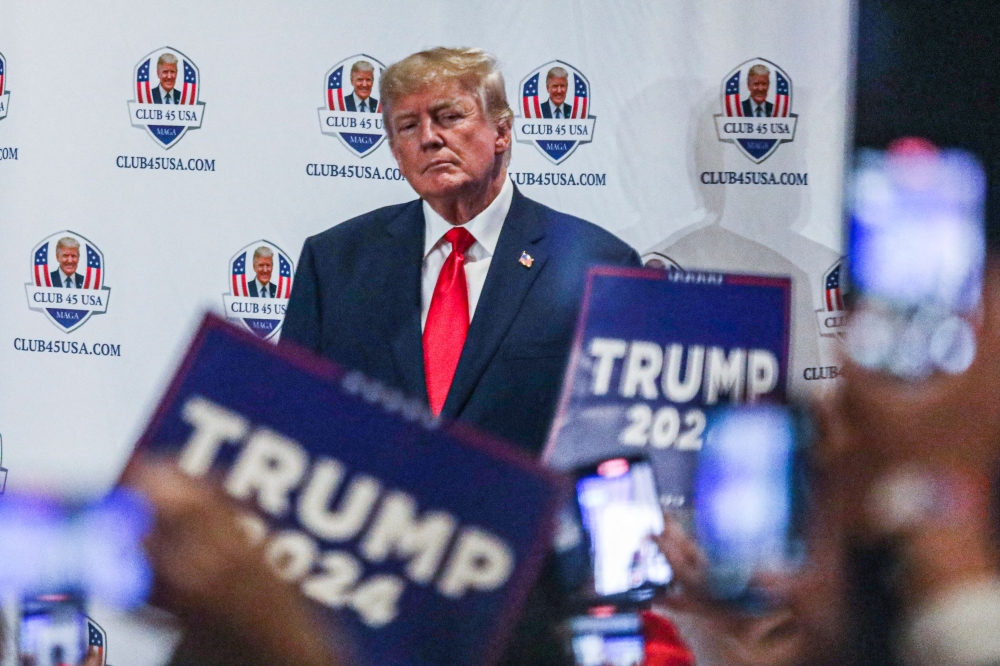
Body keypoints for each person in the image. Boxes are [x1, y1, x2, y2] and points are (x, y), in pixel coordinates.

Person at [282, 47, 641, 666]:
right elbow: (292, 429)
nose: (429, 139)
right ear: (392, 147)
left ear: (502, 129)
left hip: (529, 610)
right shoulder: (335, 262)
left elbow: (618, 453)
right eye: (407, 126)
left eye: (449, 117)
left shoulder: (594, 264)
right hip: (367, 604)